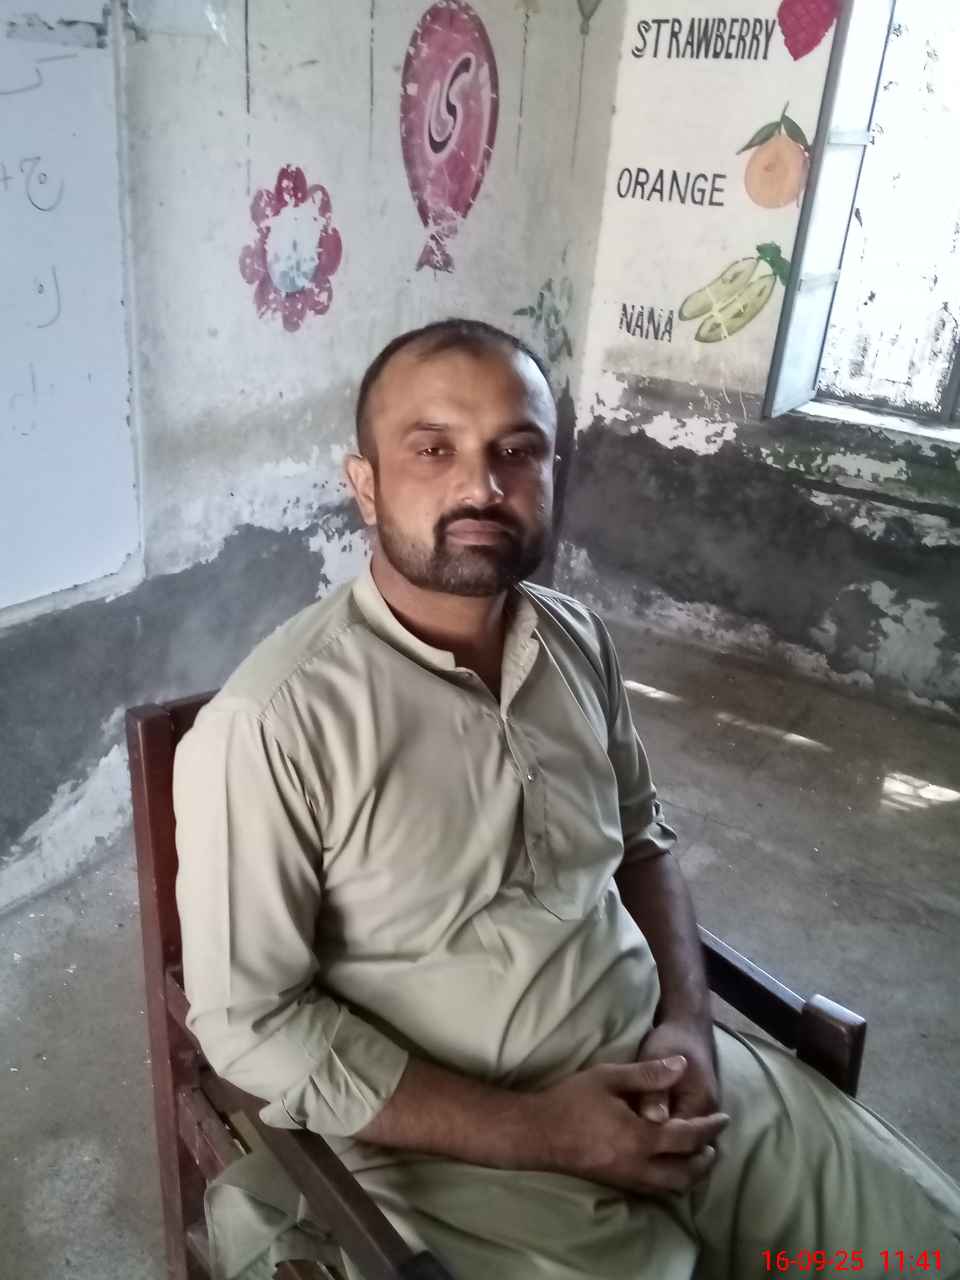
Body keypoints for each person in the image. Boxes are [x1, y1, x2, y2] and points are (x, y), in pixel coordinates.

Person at [174, 319, 960, 1280]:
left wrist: (687, 1021)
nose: (482, 486)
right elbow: (252, 1024)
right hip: (460, 1151)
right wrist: (543, 1131)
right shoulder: (273, 724)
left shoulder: (575, 640)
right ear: (365, 484)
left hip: (673, 1079)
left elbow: (643, 843)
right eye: (434, 450)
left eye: (518, 451)